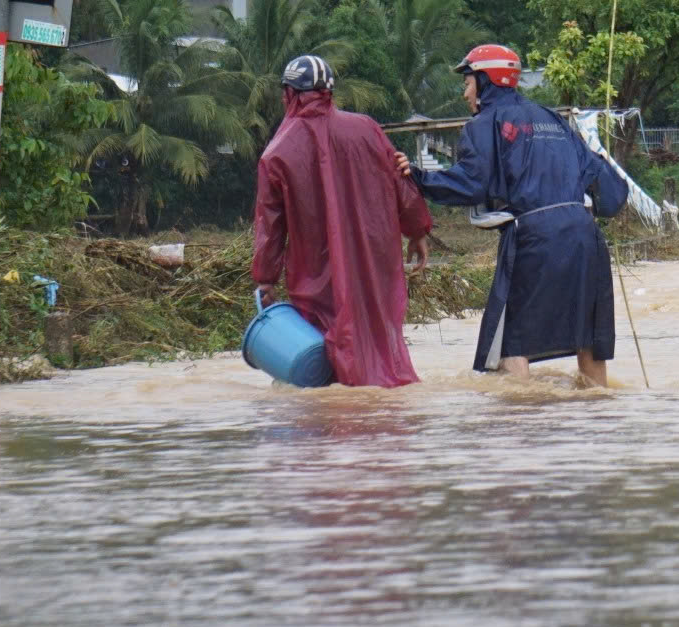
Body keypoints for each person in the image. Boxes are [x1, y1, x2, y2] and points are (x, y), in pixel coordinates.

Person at [410, 43, 627, 386]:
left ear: (486, 81)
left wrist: (418, 179)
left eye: (467, 82)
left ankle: (515, 421)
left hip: (535, 237)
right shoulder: (553, 118)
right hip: (587, 235)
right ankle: (598, 419)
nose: (465, 92)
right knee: (589, 337)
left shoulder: (484, 123)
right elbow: (612, 193)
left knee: (513, 339)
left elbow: (472, 184)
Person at [251, 55, 435, 388]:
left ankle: (337, 427)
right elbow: (399, 182)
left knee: (319, 353)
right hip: (371, 262)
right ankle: (376, 411)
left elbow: (270, 225)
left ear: (288, 95)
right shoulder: (366, 128)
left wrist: (265, 279)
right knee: (375, 336)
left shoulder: (275, 153)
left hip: (314, 272)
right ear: (330, 92)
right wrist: (418, 231)